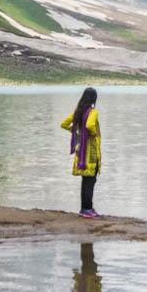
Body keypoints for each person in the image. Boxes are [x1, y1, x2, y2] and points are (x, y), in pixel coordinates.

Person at [60, 86, 101, 217]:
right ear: (94, 99)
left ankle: (84, 208)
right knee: (90, 181)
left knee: (85, 181)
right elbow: (89, 125)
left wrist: (78, 133)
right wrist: (92, 133)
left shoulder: (79, 112)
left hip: (80, 152)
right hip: (90, 152)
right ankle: (88, 209)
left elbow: (64, 124)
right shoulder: (92, 112)